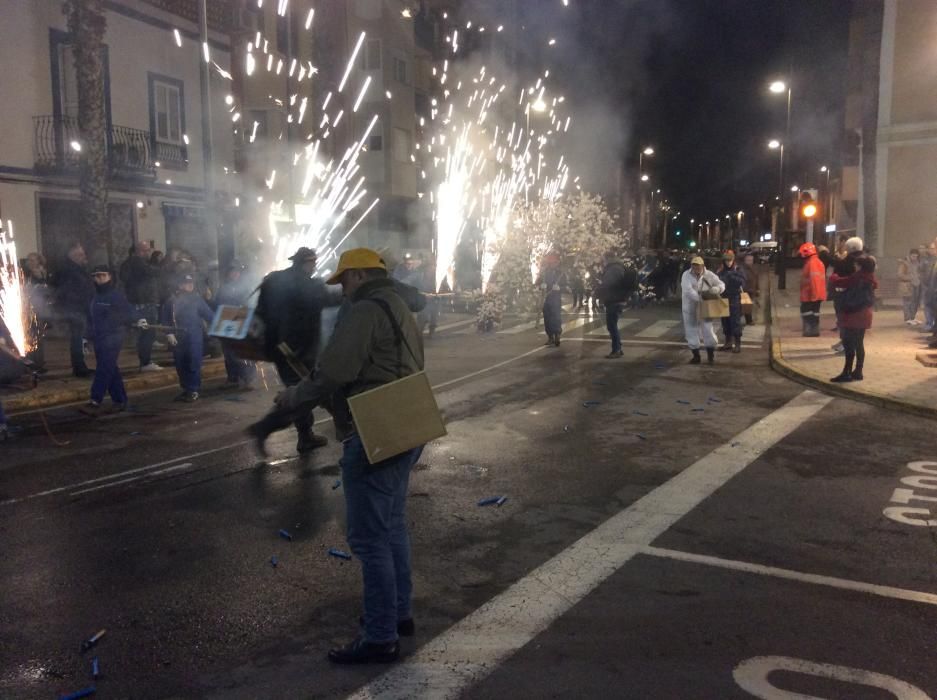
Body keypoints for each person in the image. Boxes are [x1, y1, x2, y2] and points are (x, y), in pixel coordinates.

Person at [265, 248, 424, 664]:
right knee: (390, 527)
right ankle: (397, 614)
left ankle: (379, 636)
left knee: (370, 540)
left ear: (357, 275)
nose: (343, 291)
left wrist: (293, 396)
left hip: (376, 424)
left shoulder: (366, 310)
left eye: (344, 282)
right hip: (410, 416)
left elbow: (334, 371)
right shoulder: (398, 304)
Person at [252, 247, 340, 453]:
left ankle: (305, 436)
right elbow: (330, 299)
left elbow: (259, 311)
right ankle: (264, 427)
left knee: (301, 391)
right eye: (313, 263)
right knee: (305, 392)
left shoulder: (273, 280)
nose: (315, 267)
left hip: (278, 348)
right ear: (307, 263)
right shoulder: (308, 285)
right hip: (298, 351)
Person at [83, 265, 144, 414]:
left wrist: (139, 319)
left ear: (110, 277)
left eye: (103, 275)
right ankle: (120, 400)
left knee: (104, 368)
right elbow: (91, 320)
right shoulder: (95, 297)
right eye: (96, 276)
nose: (99, 279)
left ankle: (95, 400)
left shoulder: (116, 296)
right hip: (99, 337)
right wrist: (85, 337)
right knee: (111, 369)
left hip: (114, 337)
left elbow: (129, 311)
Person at [161, 274, 215, 402]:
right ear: (180, 285)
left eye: (191, 283)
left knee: (193, 362)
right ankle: (186, 389)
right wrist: (169, 333)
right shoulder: (171, 301)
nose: (189, 285)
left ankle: (193, 390)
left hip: (193, 337)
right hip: (178, 337)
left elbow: (209, 315)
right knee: (180, 364)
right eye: (186, 283)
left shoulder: (197, 300)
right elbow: (165, 319)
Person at [829, 246, 877, 382]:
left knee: (849, 343)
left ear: (860, 266)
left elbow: (841, 281)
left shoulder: (858, 276)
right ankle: (858, 371)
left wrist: (833, 277)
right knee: (859, 343)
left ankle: (847, 372)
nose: (854, 266)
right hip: (865, 314)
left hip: (854, 314)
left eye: (856, 265)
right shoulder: (871, 278)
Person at [120, 240, 164, 372]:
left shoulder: (128, 263)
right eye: (146, 250)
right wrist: (162, 263)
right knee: (148, 333)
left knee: (145, 333)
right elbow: (154, 273)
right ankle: (145, 362)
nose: (148, 252)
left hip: (138, 302)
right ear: (139, 251)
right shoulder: (138, 262)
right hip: (144, 302)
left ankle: (145, 361)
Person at [214, 260, 257, 389]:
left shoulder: (245, 287)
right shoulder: (224, 287)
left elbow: (250, 304)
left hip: (240, 318)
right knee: (228, 352)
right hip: (226, 318)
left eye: (236, 272)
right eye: (232, 272)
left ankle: (247, 379)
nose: (234, 274)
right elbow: (218, 303)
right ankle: (232, 378)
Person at [53, 242, 94, 377]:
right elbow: (67, 289)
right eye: (80, 254)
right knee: (77, 339)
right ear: (72, 254)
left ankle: (80, 366)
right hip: (74, 308)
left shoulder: (77, 268)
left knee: (80, 338)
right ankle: (79, 367)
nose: (83, 256)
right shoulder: (67, 269)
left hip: (79, 307)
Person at [681, 255, 724, 365]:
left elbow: (721, 284)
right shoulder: (686, 275)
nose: (696, 269)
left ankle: (710, 355)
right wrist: (700, 298)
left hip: (705, 306)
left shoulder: (709, 274)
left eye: (698, 267)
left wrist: (717, 289)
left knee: (708, 329)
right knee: (691, 330)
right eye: (694, 266)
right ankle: (696, 355)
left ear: (703, 266)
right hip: (690, 307)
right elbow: (688, 290)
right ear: (691, 266)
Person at [595, 252, 636, 358]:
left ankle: (616, 350)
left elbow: (608, 284)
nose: (603, 261)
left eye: (604, 259)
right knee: (613, 325)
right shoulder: (618, 267)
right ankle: (618, 348)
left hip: (614, 299)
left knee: (611, 325)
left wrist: (598, 290)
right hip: (618, 298)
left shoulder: (613, 269)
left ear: (609, 258)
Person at [717, 251, 746, 353]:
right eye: (726, 261)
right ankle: (728, 342)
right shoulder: (721, 270)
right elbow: (716, 281)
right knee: (725, 321)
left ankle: (737, 343)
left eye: (730, 260)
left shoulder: (737, 269)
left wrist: (731, 275)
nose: (728, 263)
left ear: (733, 260)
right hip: (723, 297)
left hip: (734, 298)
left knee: (735, 321)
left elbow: (742, 282)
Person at [798, 242, 827, 337]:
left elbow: (814, 280)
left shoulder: (811, 263)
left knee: (806, 311)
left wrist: (814, 294)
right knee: (815, 312)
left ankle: (810, 331)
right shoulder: (818, 262)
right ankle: (814, 331)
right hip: (817, 294)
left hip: (809, 294)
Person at [537, 252, 565, 347]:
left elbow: (567, 285)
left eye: (554, 261)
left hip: (556, 297)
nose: (552, 263)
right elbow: (538, 282)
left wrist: (560, 287)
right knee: (547, 318)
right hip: (546, 297)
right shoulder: (544, 272)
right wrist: (541, 285)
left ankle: (557, 335)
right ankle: (550, 337)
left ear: (557, 261)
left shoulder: (561, 273)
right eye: (551, 260)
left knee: (556, 317)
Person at [898, 248, 922, 326]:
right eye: (913, 256)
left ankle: (912, 317)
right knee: (907, 302)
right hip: (908, 285)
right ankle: (907, 318)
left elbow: (919, 272)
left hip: (916, 284)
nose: (914, 258)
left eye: (916, 256)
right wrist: (910, 278)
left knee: (915, 302)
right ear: (910, 255)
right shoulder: (904, 263)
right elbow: (900, 275)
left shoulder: (918, 263)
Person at [740, 252, 759, 325]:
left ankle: (748, 320)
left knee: (748, 306)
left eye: (751, 260)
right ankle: (749, 320)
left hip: (751, 289)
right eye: (748, 260)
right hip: (745, 290)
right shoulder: (742, 269)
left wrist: (757, 289)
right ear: (745, 260)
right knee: (746, 305)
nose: (750, 261)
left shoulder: (753, 268)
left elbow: (756, 279)